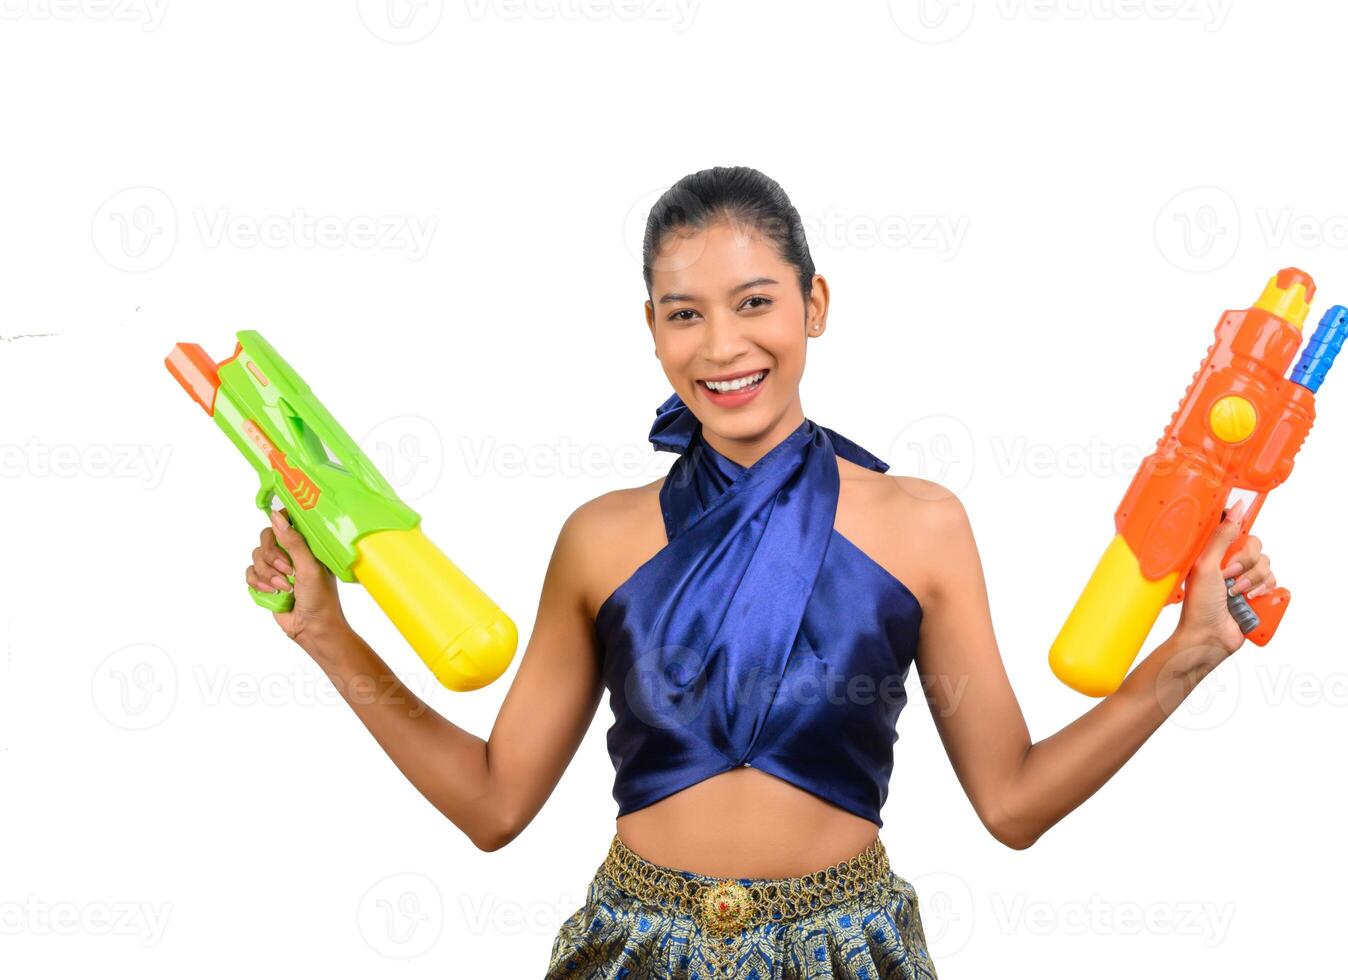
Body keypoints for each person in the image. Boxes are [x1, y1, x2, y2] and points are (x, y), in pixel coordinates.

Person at [244, 166, 1276, 978]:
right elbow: (492, 804)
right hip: (635, 947)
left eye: (754, 301)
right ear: (651, 328)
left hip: (848, 951)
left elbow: (1012, 803)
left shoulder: (922, 524)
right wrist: (328, 631)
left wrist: (1187, 654)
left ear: (814, 303)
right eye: (684, 312)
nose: (723, 344)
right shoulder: (599, 538)